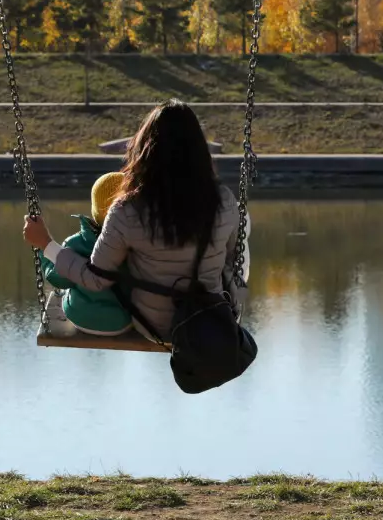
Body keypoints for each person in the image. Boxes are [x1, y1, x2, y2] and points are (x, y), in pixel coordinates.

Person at [23, 99, 244, 342]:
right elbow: (231, 258)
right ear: (200, 151)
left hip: (155, 327)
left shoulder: (127, 210)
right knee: (238, 234)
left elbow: (95, 279)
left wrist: (46, 244)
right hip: (209, 320)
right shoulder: (224, 199)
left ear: (145, 151)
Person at [39, 171, 133, 336]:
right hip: (122, 319)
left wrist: (44, 253)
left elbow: (57, 279)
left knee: (69, 284)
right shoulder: (135, 244)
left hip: (81, 317)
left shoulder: (74, 244)